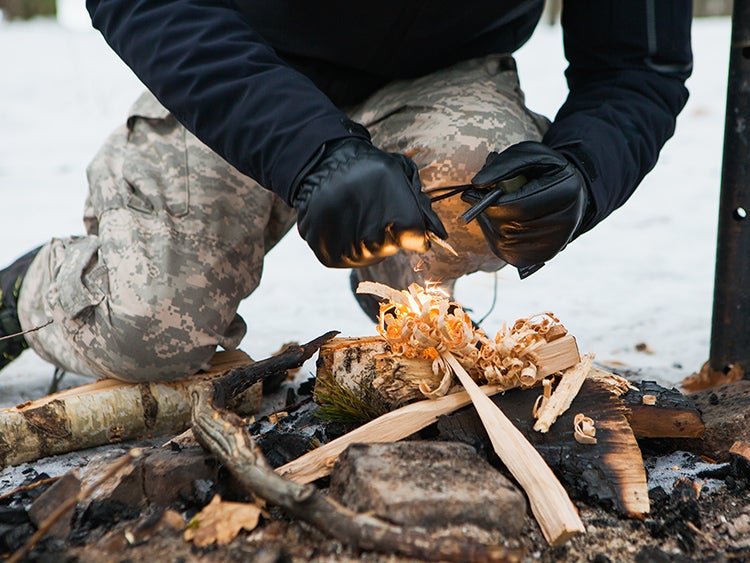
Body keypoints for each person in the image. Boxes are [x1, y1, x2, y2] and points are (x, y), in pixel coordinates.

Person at [0, 1, 692, 382]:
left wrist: (582, 173)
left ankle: (400, 274)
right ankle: (32, 290)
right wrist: (312, 153)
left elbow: (639, 64)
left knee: (487, 203)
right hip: (242, 61)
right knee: (151, 325)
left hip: (442, 76)